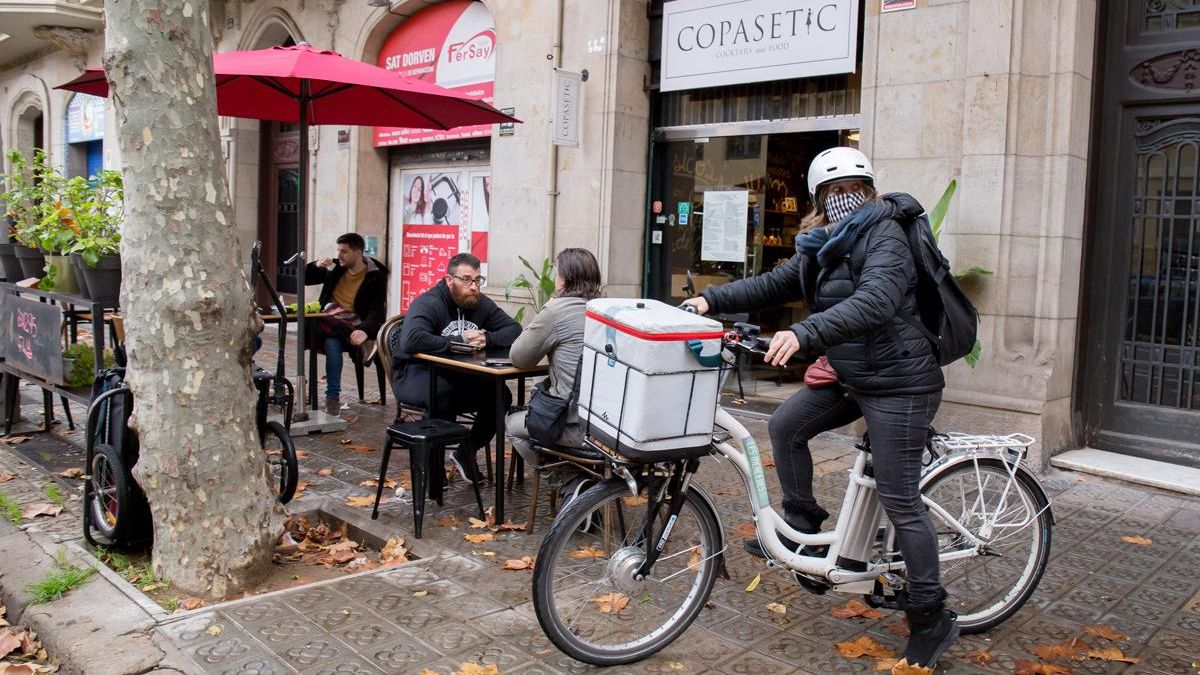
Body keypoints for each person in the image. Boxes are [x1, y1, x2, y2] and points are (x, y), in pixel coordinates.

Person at [682, 147, 957, 668]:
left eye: (850, 188)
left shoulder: (886, 235)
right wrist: (709, 301)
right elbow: (774, 282)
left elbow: (874, 301)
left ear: (869, 189)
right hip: (854, 373)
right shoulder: (824, 242)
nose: (840, 199)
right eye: (830, 193)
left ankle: (931, 616)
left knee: (901, 499)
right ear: (816, 200)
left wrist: (804, 331)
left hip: (900, 382)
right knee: (786, 425)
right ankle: (805, 531)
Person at [393, 252, 521, 482]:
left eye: (478, 280)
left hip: (458, 376)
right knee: (442, 391)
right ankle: (433, 471)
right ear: (449, 280)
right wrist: (459, 341)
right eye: (467, 280)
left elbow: (514, 329)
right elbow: (411, 339)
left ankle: (466, 451)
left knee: (500, 394)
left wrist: (488, 339)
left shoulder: (479, 304)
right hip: (414, 375)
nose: (474, 287)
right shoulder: (429, 303)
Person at [504, 249, 602, 495]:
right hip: (609, 428)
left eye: (557, 274)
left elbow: (519, 357)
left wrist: (547, 308)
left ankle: (571, 486)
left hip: (574, 428)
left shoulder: (557, 311)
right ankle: (586, 483)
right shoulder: (607, 310)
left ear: (564, 280)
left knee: (513, 425)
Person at [306, 233, 388, 417]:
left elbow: (377, 312)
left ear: (358, 252)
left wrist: (365, 331)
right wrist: (316, 266)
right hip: (334, 322)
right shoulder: (335, 267)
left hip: (353, 323)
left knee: (329, 336)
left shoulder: (375, 276)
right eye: (338, 250)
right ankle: (332, 397)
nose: (339, 255)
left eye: (344, 251)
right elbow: (304, 279)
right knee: (328, 332)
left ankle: (332, 397)